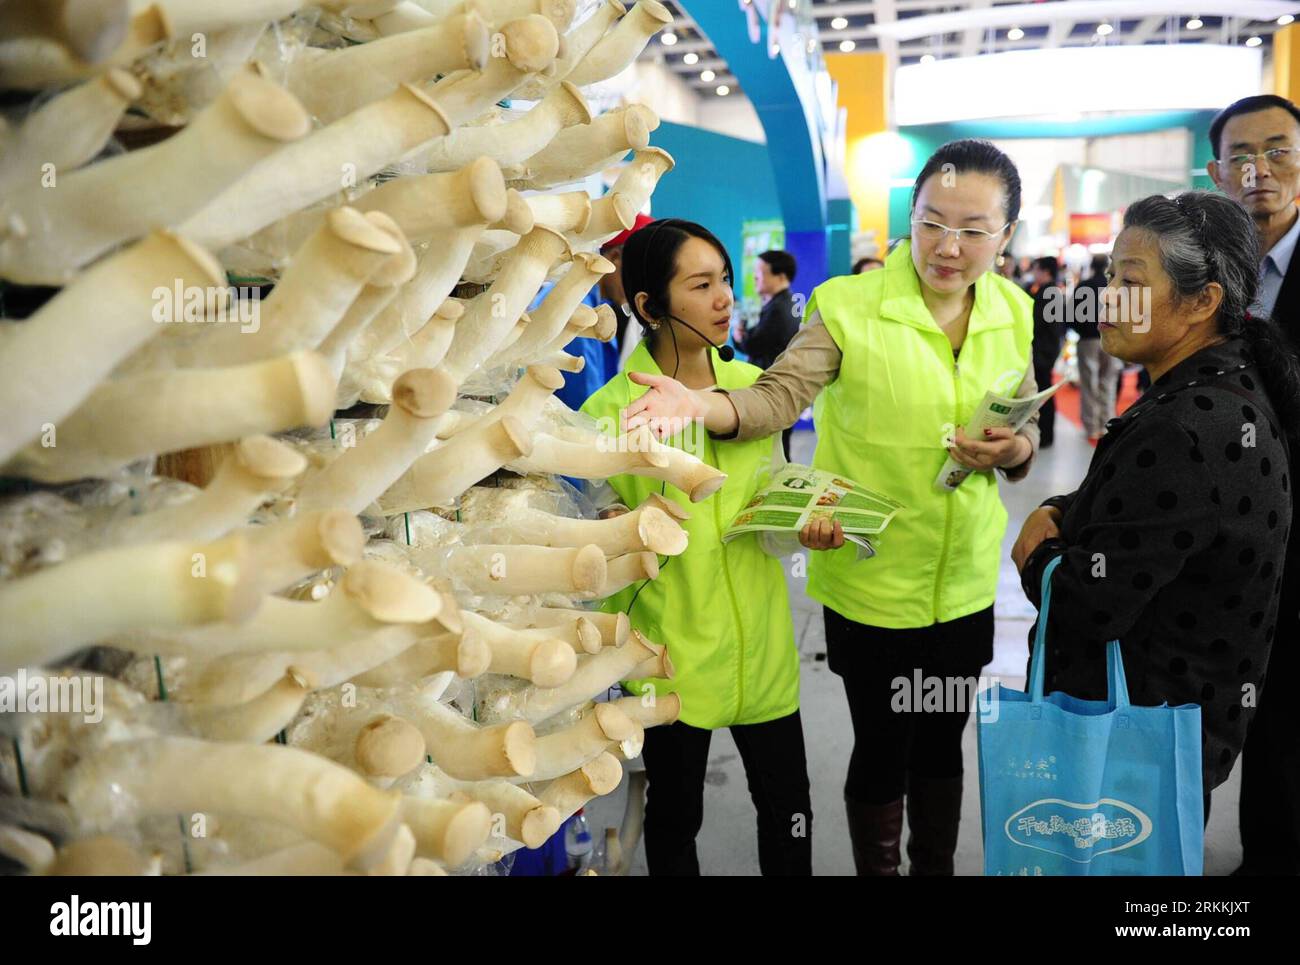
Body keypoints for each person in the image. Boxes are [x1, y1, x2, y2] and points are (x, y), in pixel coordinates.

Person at [620, 140, 1041, 876]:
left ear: (1007, 234)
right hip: (872, 582)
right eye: (932, 221)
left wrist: (1013, 452)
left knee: (944, 741)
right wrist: (706, 403)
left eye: (974, 230)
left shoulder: (1014, 309)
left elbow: (1024, 424)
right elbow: (778, 396)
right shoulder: (848, 307)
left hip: (967, 577)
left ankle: (933, 867)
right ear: (910, 215)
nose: (948, 246)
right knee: (882, 744)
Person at [1012, 191, 1298, 827]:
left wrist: (1041, 551)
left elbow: (1092, 601)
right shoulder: (1224, 392)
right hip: (1176, 737)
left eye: (1131, 281)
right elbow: (1147, 517)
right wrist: (1066, 507)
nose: (1105, 295)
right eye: (1110, 275)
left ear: (1202, 302)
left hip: (1131, 749)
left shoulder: (1188, 427)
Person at [579, 218, 812, 876]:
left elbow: (775, 500)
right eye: (701, 284)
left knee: (790, 807)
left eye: (727, 281)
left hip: (764, 648)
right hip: (670, 657)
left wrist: (808, 523)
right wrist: (620, 523)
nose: (723, 299)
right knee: (676, 815)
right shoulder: (608, 413)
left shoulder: (754, 390)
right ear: (648, 306)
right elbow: (596, 540)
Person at [1206, 92, 1300, 875]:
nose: (1259, 171)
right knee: (1250, 704)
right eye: (1241, 155)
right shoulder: (1209, 274)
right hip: (1226, 541)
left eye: (1277, 151)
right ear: (1216, 171)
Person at [735, 249, 800, 459]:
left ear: (780, 276)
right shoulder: (787, 304)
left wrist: (739, 336)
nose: (755, 277)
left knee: (776, 451)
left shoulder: (778, 309)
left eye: (760, 272)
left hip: (773, 388)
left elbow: (754, 344)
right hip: (783, 387)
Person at [1072, 253, 1124, 442]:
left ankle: (1091, 427)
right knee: (1108, 382)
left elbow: (1072, 315)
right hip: (1113, 339)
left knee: (1089, 384)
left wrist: (1082, 331)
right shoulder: (1116, 286)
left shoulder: (1084, 286)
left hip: (1088, 340)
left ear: (1092, 265)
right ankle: (1106, 423)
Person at [1029, 256, 1063, 448]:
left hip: (1043, 350)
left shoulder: (1047, 292)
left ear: (1045, 271)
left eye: (1036, 269)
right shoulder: (1053, 291)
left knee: (1042, 392)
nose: (1034, 273)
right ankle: (1046, 433)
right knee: (1043, 390)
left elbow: (1037, 322)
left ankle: (1045, 433)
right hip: (1048, 348)